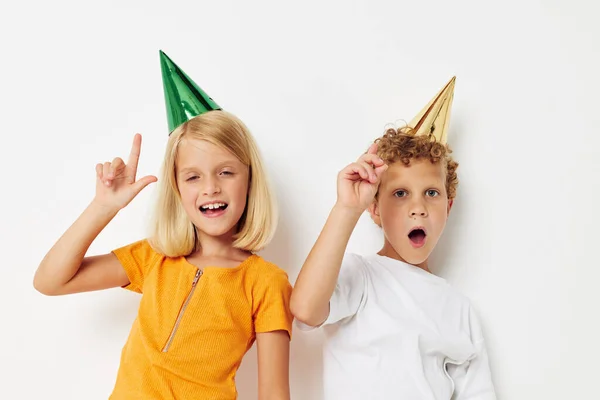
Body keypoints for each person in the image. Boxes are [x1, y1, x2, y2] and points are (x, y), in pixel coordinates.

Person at [33, 51, 293, 400]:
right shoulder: (154, 257)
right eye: (192, 176)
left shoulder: (265, 282)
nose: (210, 187)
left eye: (226, 172)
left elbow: (274, 392)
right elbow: (50, 281)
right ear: (177, 189)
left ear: (250, 180)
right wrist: (103, 207)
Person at [291, 77, 496, 399]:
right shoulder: (362, 277)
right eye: (400, 193)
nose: (418, 208)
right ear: (375, 209)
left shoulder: (459, 309)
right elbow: (304, 308)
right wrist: (347, 207)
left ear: (448, 206)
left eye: (431, 193)